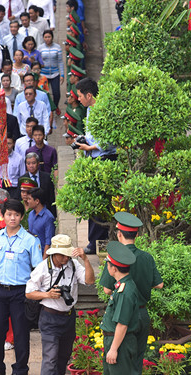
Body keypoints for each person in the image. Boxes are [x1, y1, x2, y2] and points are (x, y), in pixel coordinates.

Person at [0, 199, 43, 375]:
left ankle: (21, 369)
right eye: (9, 214)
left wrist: (34, 293)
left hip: (20, 292)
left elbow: (38, 270)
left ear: (22, 217)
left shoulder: (30, 240)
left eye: (16, 215)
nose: (12, 218)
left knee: (21, 333)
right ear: (3, 215)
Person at [25, 235, 95, 375]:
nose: (66, 258)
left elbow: (90, 281)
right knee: (50, 359)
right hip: (50, 317)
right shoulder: (43, 267)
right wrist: (47, 295)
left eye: (68, 255)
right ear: (54, 253)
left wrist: (85, 259)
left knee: (63, 358)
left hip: (69, 317)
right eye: (62, 255)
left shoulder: (73, 264)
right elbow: (28, 293)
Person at [98, 212, 163, 362]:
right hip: (142, 314)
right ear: (137, 235)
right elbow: (159, 284)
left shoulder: (116, 258)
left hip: (123, 315)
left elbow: (107, 290)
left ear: (119, 234)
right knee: (137, 361)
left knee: (121, 362)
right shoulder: (147, 257)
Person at [74, 78, 115, 253]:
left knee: (100, 203)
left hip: (104, 159)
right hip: (93, 158)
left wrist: (90, 147)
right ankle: (94, 241)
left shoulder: (103, 110)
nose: (78, 100)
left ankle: (98, 241)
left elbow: (110, 139)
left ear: (89, 95)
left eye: (80, 96)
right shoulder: (90, 109)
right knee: (93, 202)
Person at [100, 243, 142, 375]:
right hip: (116, 341)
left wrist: (113, 349)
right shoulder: (121, 286)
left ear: (114, 269)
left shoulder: (125, 291)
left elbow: (122, 324)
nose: (107, 267)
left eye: (108, 264)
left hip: (120, 343)